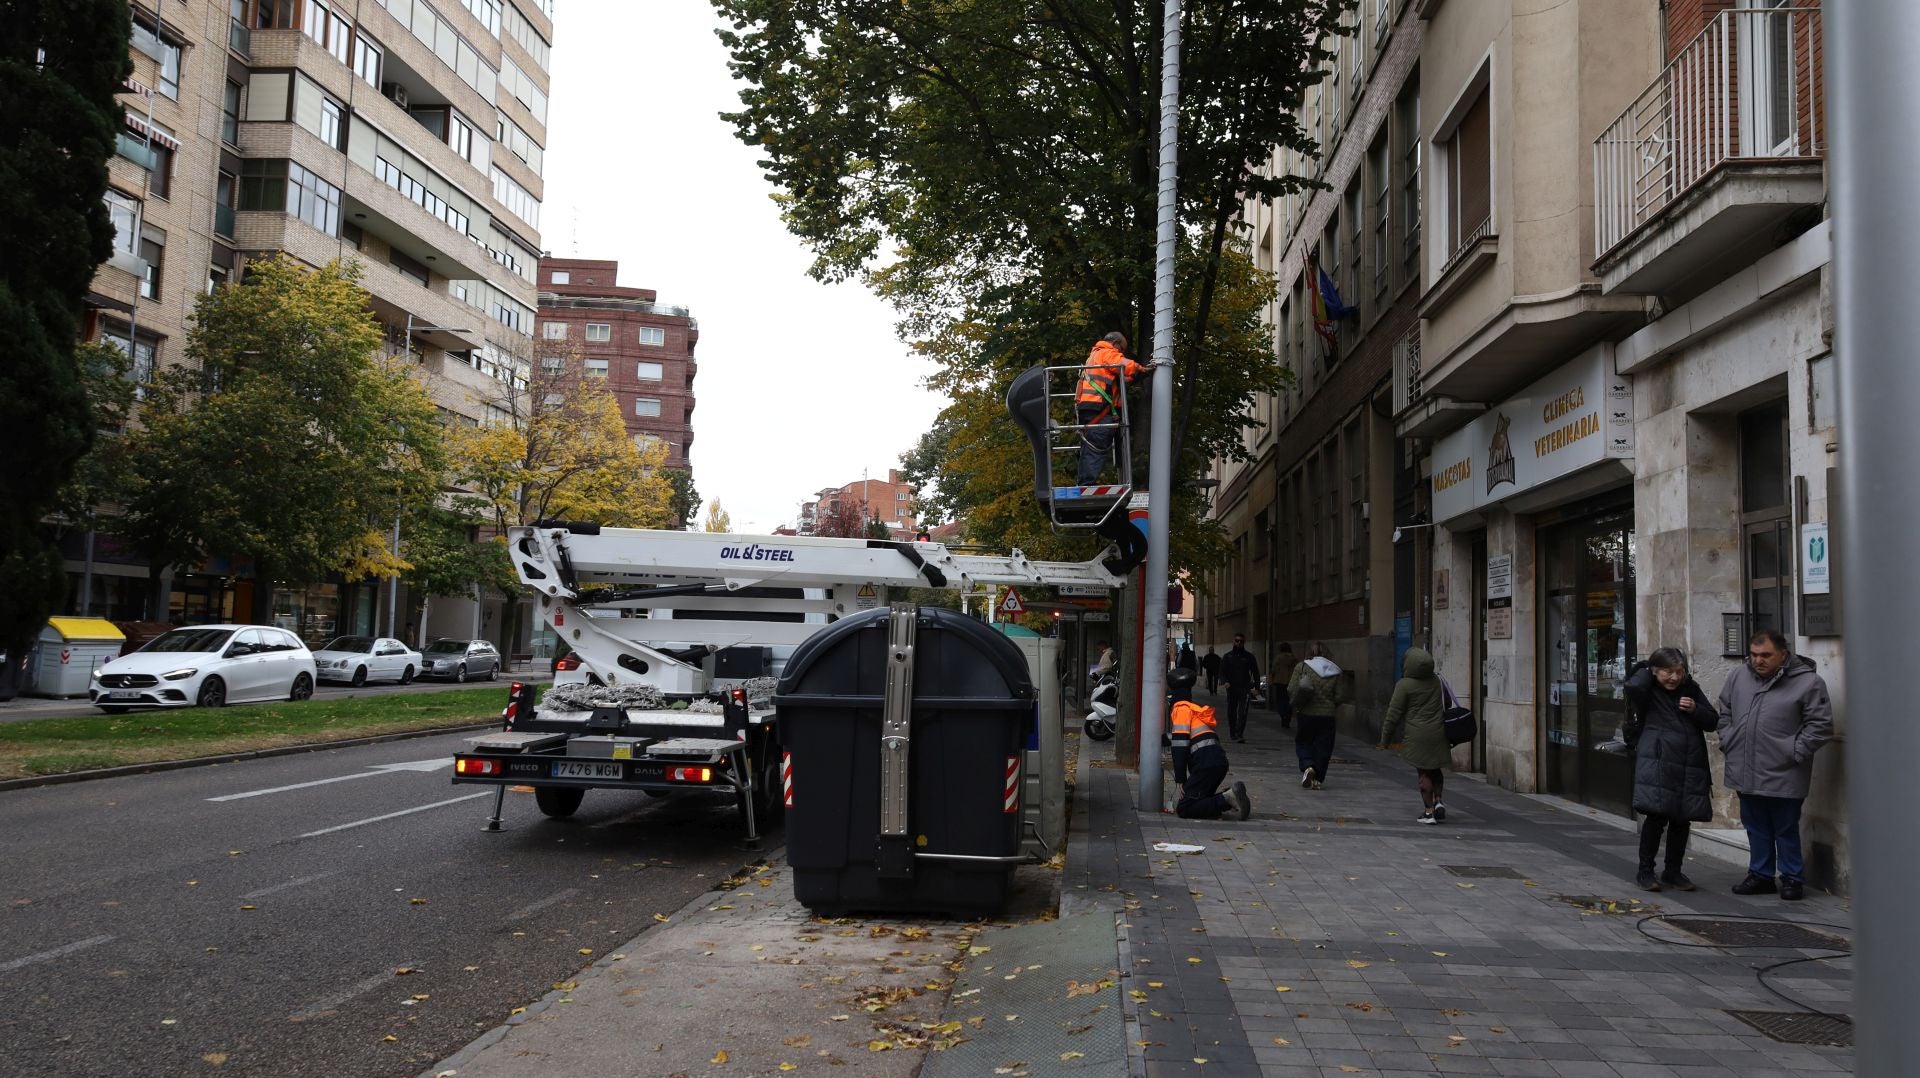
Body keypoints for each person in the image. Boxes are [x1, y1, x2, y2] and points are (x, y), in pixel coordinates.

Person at [1716, 630, 1834, 901]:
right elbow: (1725, 711)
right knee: (1755, 825)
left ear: (1783, 654)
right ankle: (1760, 875)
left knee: (1785, 827)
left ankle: (1792, 878)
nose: (1758, 661)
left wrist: (1795, 751)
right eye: (1754, 655)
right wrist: (1728, 739)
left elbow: (1821, 726)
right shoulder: (1738, 676)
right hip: (1745, 765)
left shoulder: (1808, 683)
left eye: (1765, 655)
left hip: (1784, 769)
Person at [1623, 647, 1718, 892]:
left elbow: (1712, 721)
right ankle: (1645, 871)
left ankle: (1673, 871)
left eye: (1679, 672)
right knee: (1655, 818)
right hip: (1658, 763)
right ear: (1655, 671)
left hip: (1688, 762)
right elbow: (1632, 687)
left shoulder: (1690, 689)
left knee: (1681, 819)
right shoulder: (1647, 690)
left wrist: (1695, 709)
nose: (1674, 678)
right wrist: (1647, 667)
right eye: (1667, 672)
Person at [1378, 647, 1451, 824]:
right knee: (1435, 768)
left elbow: (1393, 714)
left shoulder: (1404, 685)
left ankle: (1428, 812)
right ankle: (1438, 801)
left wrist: (1384, 740)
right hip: (1438, 732)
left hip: (1417, 734)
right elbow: (1447, 702)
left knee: (1424, 771)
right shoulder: (1437, 680)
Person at [1168, 667, 1250, 820]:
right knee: (1198, 799)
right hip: (1217, 761)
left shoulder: (1180, 709)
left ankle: (1228, 798)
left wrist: (1180, 779)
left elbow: (1180, 745)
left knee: (1185, 808)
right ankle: (1231, 796)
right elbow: (1192, 735)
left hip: (1205, 763)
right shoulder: (1192, 709)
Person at [1075, 332, 1150, 485]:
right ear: (1115, 343)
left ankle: (1085, 482)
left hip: (1091, 407)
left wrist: (1141, 374)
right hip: (1098, 407)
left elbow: (1123, 377)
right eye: (1121, 349)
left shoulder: (1094, 356)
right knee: (1096, 445)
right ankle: (1086, 485)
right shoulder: (1106, 352)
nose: (1121, 353)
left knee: (1090, 445)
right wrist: (1141, 368)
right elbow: (1124, 365)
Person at [1289, 641, 1346, 788]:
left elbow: (1291, 688)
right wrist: (1330, 704)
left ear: (1310, 652)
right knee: (1324, 746)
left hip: (1306, 712)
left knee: (1303, 741)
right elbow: (1340, 696)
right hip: (1327, 715)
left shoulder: (1301, 666)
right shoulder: (1335, 670)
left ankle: (1308, 765)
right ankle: (1317, 779)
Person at [1218, 634, 1261, 743]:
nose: (1239, 643)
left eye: (1241, 641)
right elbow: (1222, 672)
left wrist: (1257, 687)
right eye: (1237, 641)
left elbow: (1255, 673)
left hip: (1245, 688)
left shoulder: (1249, 657)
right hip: (1232, 688)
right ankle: (1233, 732)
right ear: (1233, 641)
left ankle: (1239, 733)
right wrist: (1225, 681)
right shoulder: (1227, 656)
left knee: (1243, 711)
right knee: (1231, 711)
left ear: (1244, 642)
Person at [1272, 642, 1299, 729]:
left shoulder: (1278, 657)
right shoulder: (1294, 658)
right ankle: (1288, 718)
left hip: (1280, 682)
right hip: (1291, 682)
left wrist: (1272, 678)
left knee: (1280, 701)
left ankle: (1283, 716)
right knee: (1289, 701)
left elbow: (1274, 669)